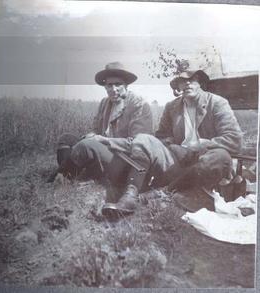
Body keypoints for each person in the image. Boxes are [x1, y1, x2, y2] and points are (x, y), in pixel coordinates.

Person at [102, 68, 243, 215]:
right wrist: (175, 147)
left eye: (192, 79)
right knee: (143, 138)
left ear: (200, 82)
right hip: (179, 161)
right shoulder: (172, 107)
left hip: (206, 164)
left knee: (221, 157)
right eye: (183, 80)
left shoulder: (217, 103)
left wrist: (202, 144)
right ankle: (130, 196)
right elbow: (161, 136)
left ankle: (164, 192)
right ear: (178, 85)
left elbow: (234, 139)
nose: (187, 83)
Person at [49, 62, 153, 213]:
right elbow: (97, 130)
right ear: (105, 86)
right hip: (104, 152)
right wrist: (93, 135)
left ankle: (61, 176)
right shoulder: (105, 103)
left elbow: (139, 145)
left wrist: (103, 140)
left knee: (86, 146)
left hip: (125, 161)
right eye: (109, 85)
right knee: (66, 139)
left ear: (126, 85)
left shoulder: (139, 105)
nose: (113, 89)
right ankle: (69, 173)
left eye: (118, 84)